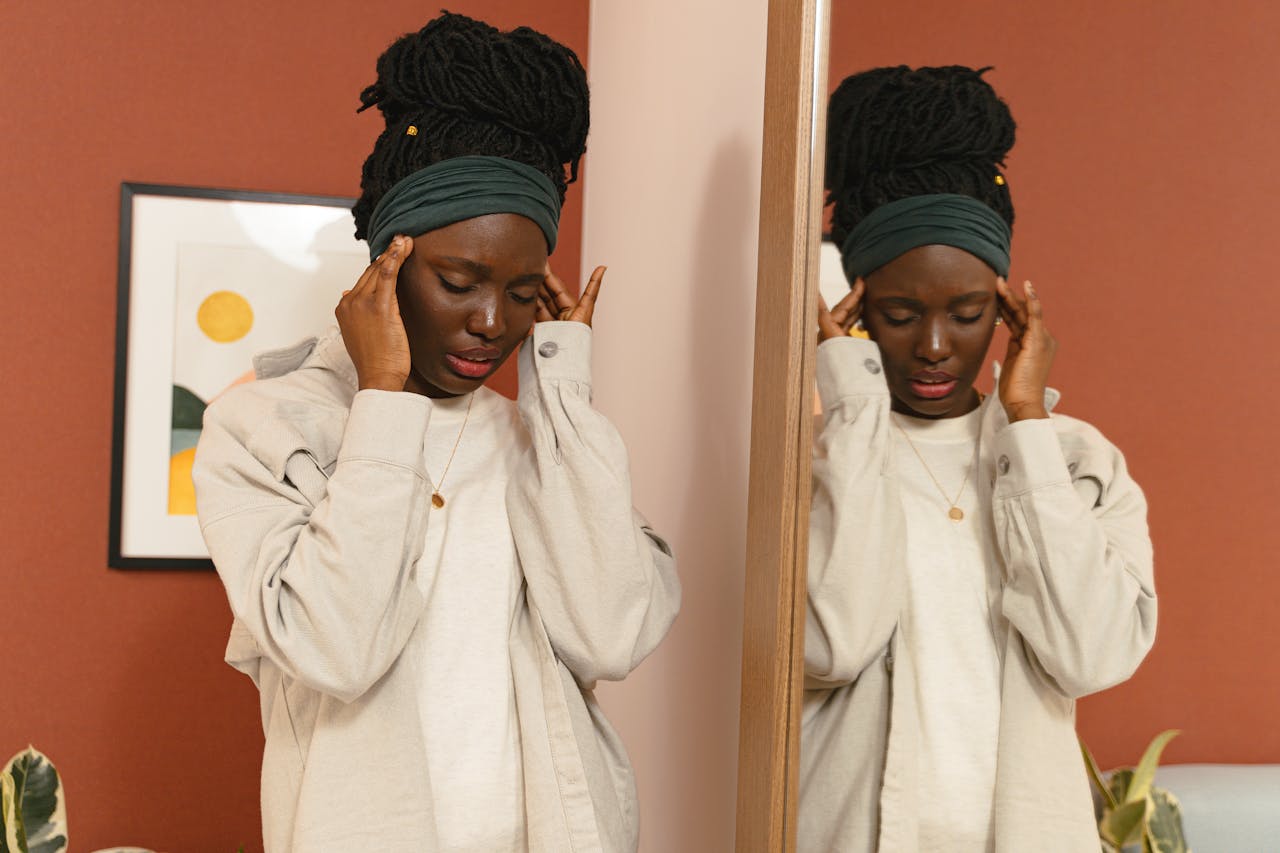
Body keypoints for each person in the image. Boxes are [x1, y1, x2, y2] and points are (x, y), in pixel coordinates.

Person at [192, 13, 680, 853]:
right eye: (459, 280)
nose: (493, 322)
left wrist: (563, 388)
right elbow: (338, 650)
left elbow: (612, 635)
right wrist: (382, 397)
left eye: (525, 292)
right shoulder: (263, 429)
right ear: (387, 261)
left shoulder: (540, 441)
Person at [800, 65, 1156, 851]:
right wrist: (853, 405)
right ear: (855, 307)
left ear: (1006, 306)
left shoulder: (1074, 460)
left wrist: (1025, 424)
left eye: (965, 314)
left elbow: (1090, 655)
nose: (933, 346)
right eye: (897, 314)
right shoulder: (820, 465)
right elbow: (833, 642)